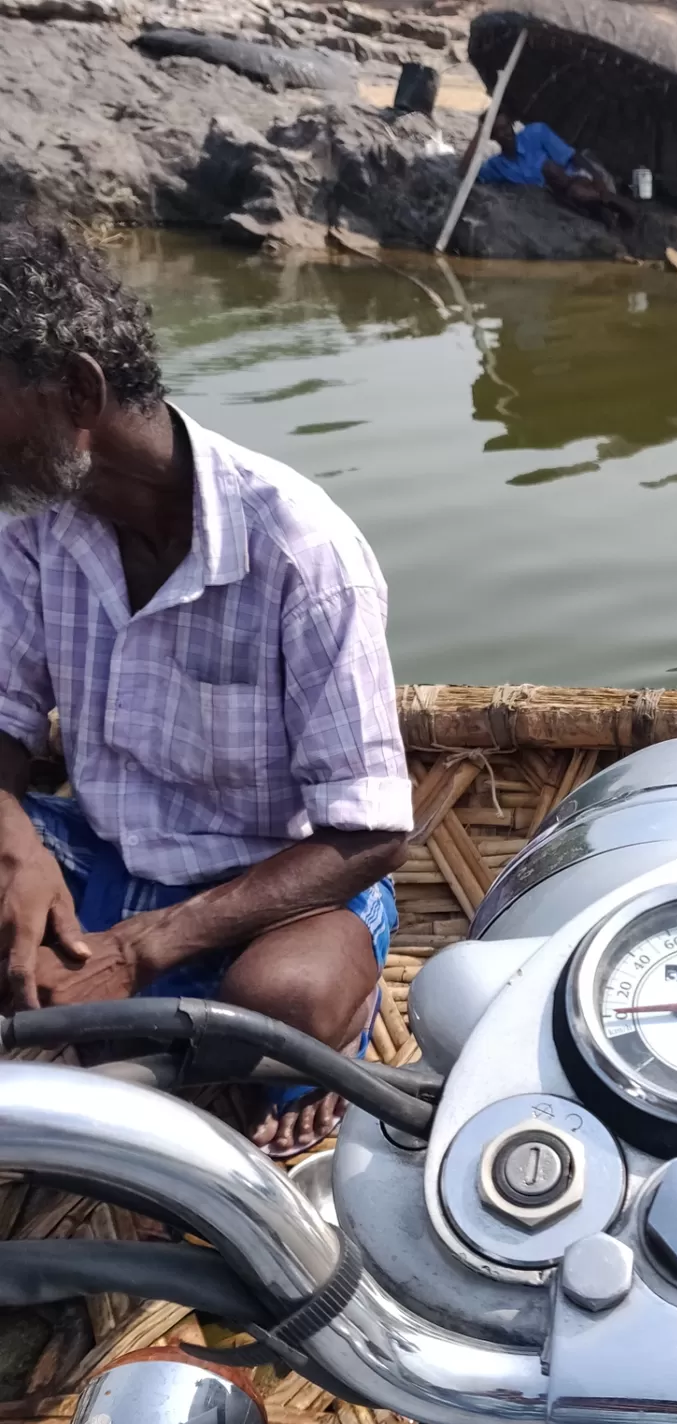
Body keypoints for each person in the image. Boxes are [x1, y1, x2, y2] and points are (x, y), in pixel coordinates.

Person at [0, 215, 412, 1157]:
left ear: (78, 391)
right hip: (101, 858)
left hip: (269, 894)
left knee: (287, 1000)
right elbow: (3, 722)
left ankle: (289, 1036)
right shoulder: (35, 526)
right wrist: (14, 835)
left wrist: (140, 948)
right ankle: (144, 1039)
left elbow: (371, 832)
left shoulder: (301, 552)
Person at [469, 113, 632, 225]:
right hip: (556, 199)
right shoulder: (496, 165)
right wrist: (479, 132)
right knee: (585, 203)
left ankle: (611, 201)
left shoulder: (536, 132)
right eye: (499, 131)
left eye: (507, 127)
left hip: (575, 179)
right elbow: (465, 174)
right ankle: (608, 206)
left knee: (555, 173)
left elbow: (573, 156)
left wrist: (597, 179)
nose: (506, 133)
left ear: (512, 124)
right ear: (491, 136)